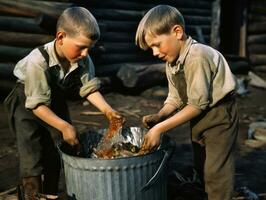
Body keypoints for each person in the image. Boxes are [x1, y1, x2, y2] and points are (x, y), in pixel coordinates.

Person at [4, 7, 124, 200]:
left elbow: (89, 89)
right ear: (60, 37)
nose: (85, 53)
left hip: (53, 98)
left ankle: (51, 193)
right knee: (32, 151)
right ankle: (32, 194)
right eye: (81, 47)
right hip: (26, 100)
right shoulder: (38, 61)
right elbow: (36, 105)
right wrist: (64, 125)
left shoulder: (83, 59)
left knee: (61, 146)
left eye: (89, 48)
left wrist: (108, 111)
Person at [135, 5, 238, 200]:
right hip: (199, 114)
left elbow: (197, 104)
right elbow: (175, 98)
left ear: (177, 32)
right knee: (201, 162)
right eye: (151, 48)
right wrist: (161, 116)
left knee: (216, 169)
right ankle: (205, 192)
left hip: (220, 114)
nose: (155, 52)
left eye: (157, 44)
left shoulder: (198, 56)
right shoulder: (171, 62)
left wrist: (159, 129)